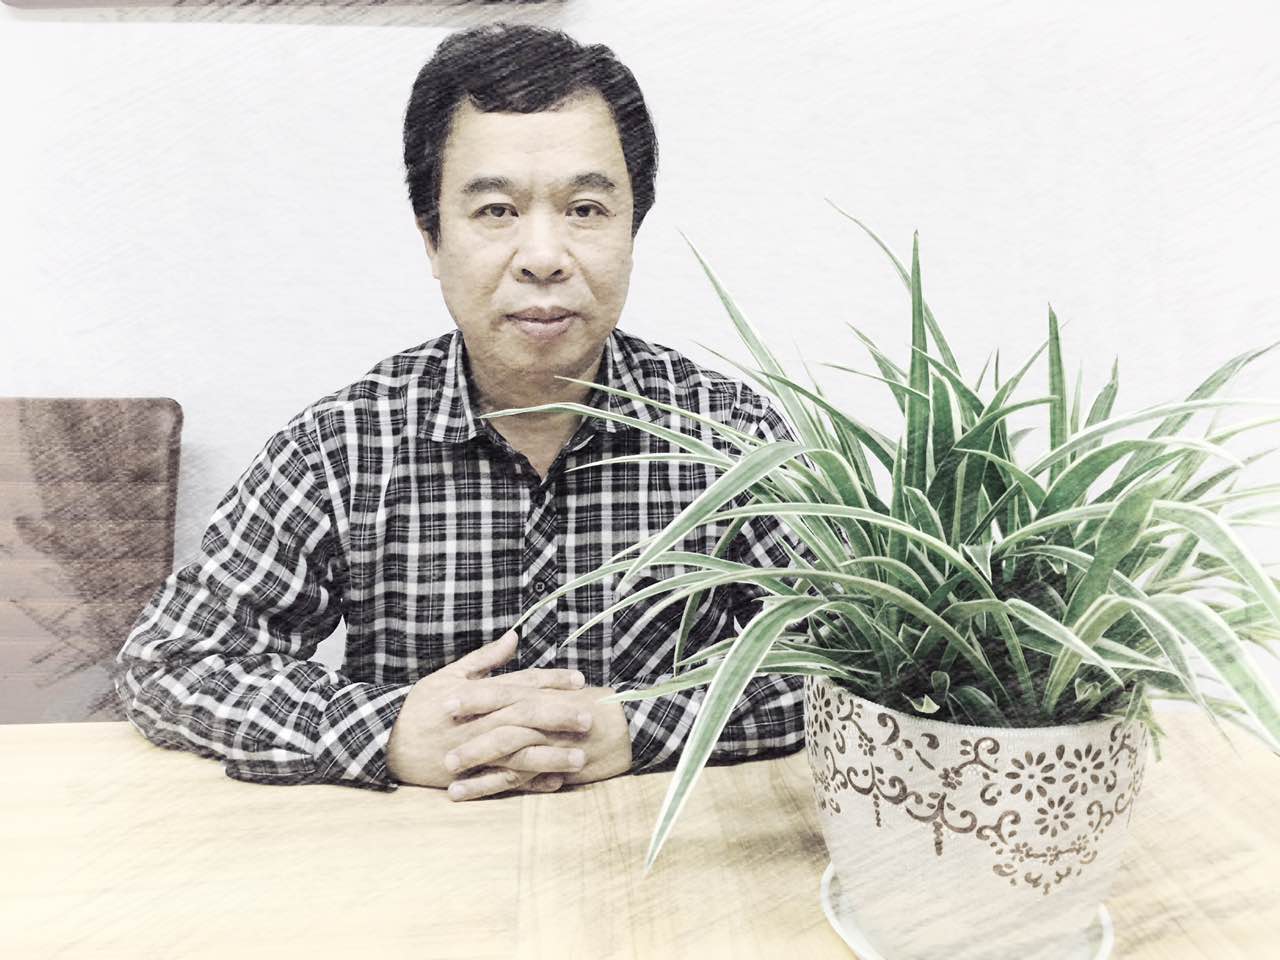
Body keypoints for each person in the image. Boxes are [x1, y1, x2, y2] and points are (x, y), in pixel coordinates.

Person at [114, 23, 808, 802]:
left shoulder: (730, 434)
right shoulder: (343, 447)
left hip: (655, 850)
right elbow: (172, 663)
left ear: (631, 231)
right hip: (414, 852)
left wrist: (637, 727)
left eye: (585, 209)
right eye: (496, 211)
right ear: (432, 240)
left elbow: (857, 663)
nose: (543, 256)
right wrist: (383, 732)